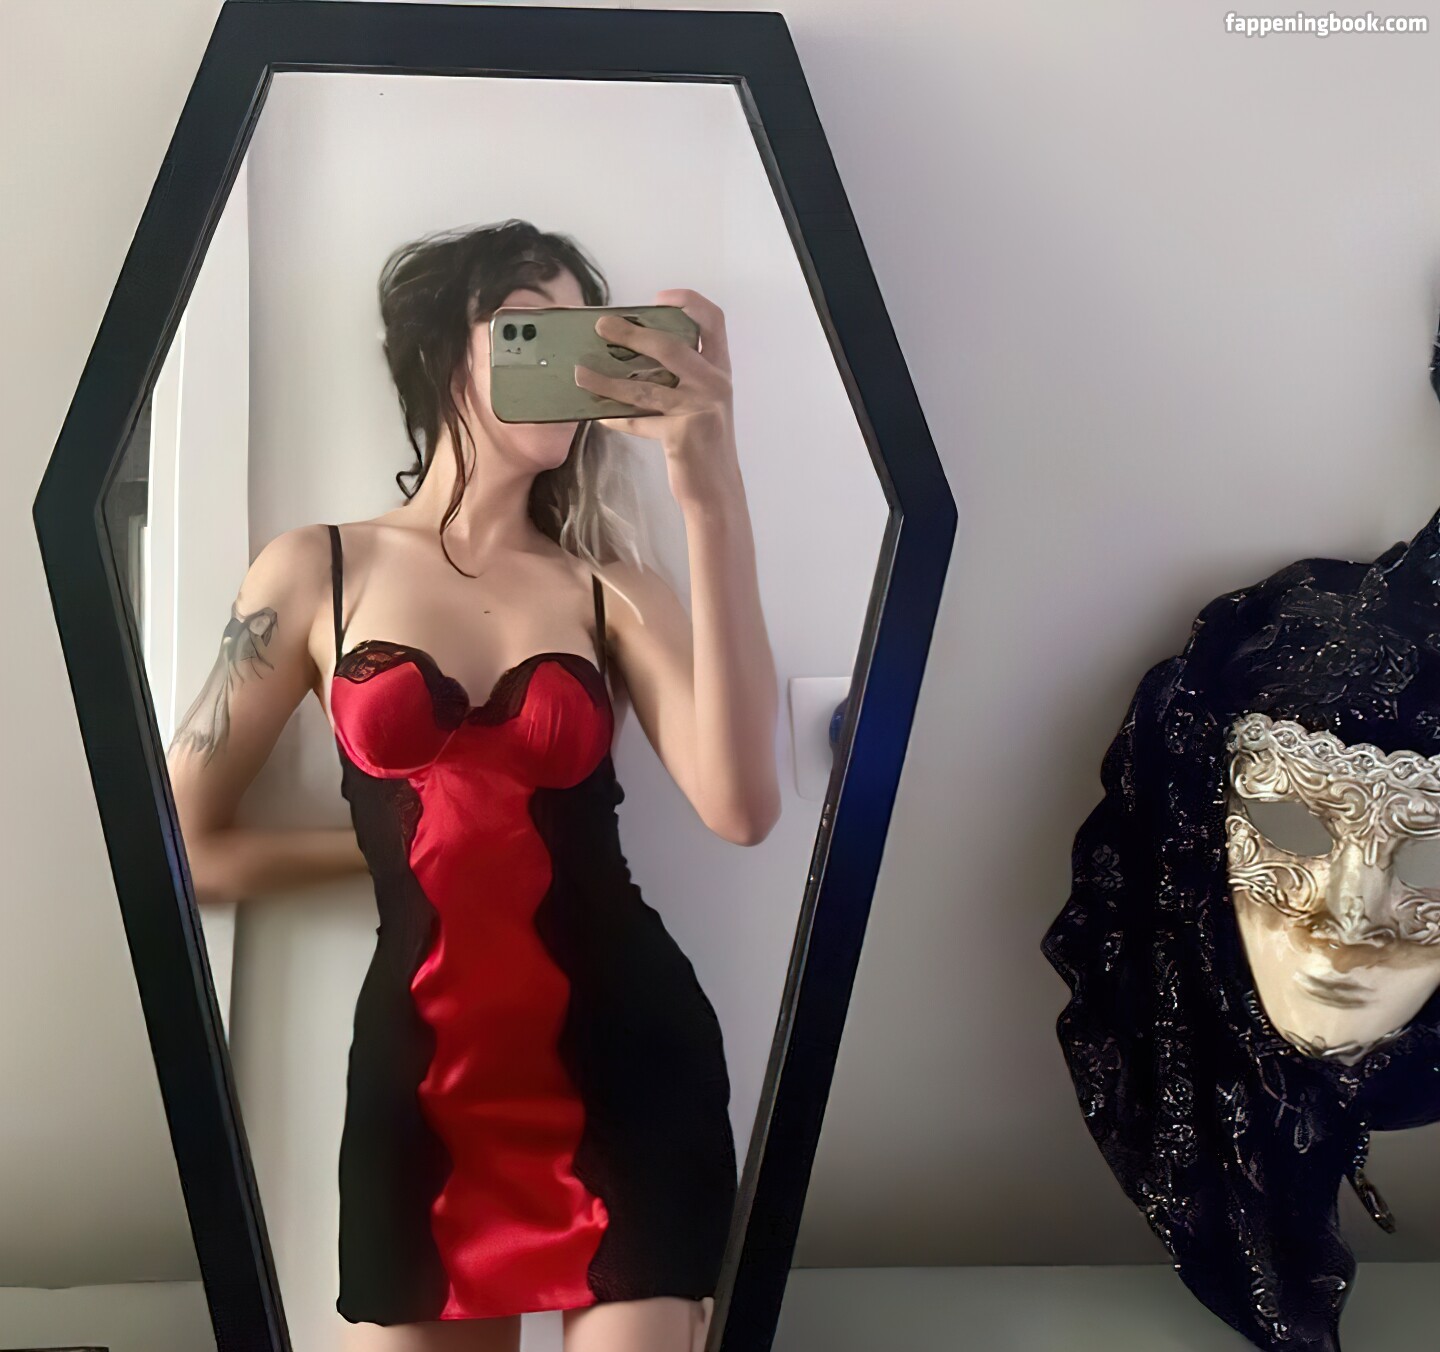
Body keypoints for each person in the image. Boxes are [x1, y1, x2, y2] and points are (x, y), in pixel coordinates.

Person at [165, 218, 782, 1352]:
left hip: (628, 1058)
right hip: (423, 1083)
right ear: (442, 348)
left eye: (592, 333)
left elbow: (742, 808)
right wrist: (401, 854)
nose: (572, 363)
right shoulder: (317, 569)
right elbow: (178, 846)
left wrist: (711, 485)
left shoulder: (612, 588)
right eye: (529, 328)